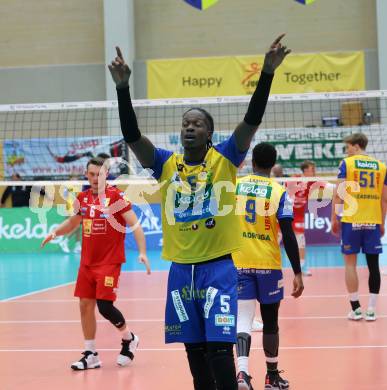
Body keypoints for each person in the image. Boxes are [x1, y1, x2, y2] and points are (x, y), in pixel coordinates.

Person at [109, 35, 290, 390]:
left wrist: (267, 73)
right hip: (180, 271)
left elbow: (250, 121)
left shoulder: (225, 158)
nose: (189, 126)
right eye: (185, 123)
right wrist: (123, 89)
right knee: (194, 352)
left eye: (197, 123)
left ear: (209, 133)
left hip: (219, 269)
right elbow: (132, 137)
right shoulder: (165, 164)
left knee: (220, 351)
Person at [41, 157, 151, 369]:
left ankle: (129, 339)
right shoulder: (82, 198)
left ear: (106, 174)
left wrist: (143, 252)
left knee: (104, 306)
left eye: (98, 175)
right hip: (87, 263)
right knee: (84, 305)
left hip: (109, 262)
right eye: (91, 174)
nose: (94, 178)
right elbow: (73, 222)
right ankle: (91, 354)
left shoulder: (116, 197)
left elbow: (135, 225)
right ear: (86, 175)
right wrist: (55, 232)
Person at [233, 142, 304, 390]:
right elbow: (289, 234)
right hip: (268, 264)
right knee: (270, 321)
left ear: (252, 162)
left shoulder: (236, 186)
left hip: (239, 262)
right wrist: (297, 271)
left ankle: (241, 373)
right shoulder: (278, 191)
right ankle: (271, 376)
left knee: (242, 319)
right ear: (273, 164)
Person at [331, 133, 387, 321]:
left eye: (348, 147)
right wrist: (382, 221)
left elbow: (339, 193)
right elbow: (384, 198)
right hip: (372, 221)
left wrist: (335, 217)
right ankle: (371, 310)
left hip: (350, 220)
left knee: (350, 264)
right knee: (373, 265)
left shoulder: (347, 164)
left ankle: (355, 309)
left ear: (355, 146)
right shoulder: (381, 166)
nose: (347, 151)